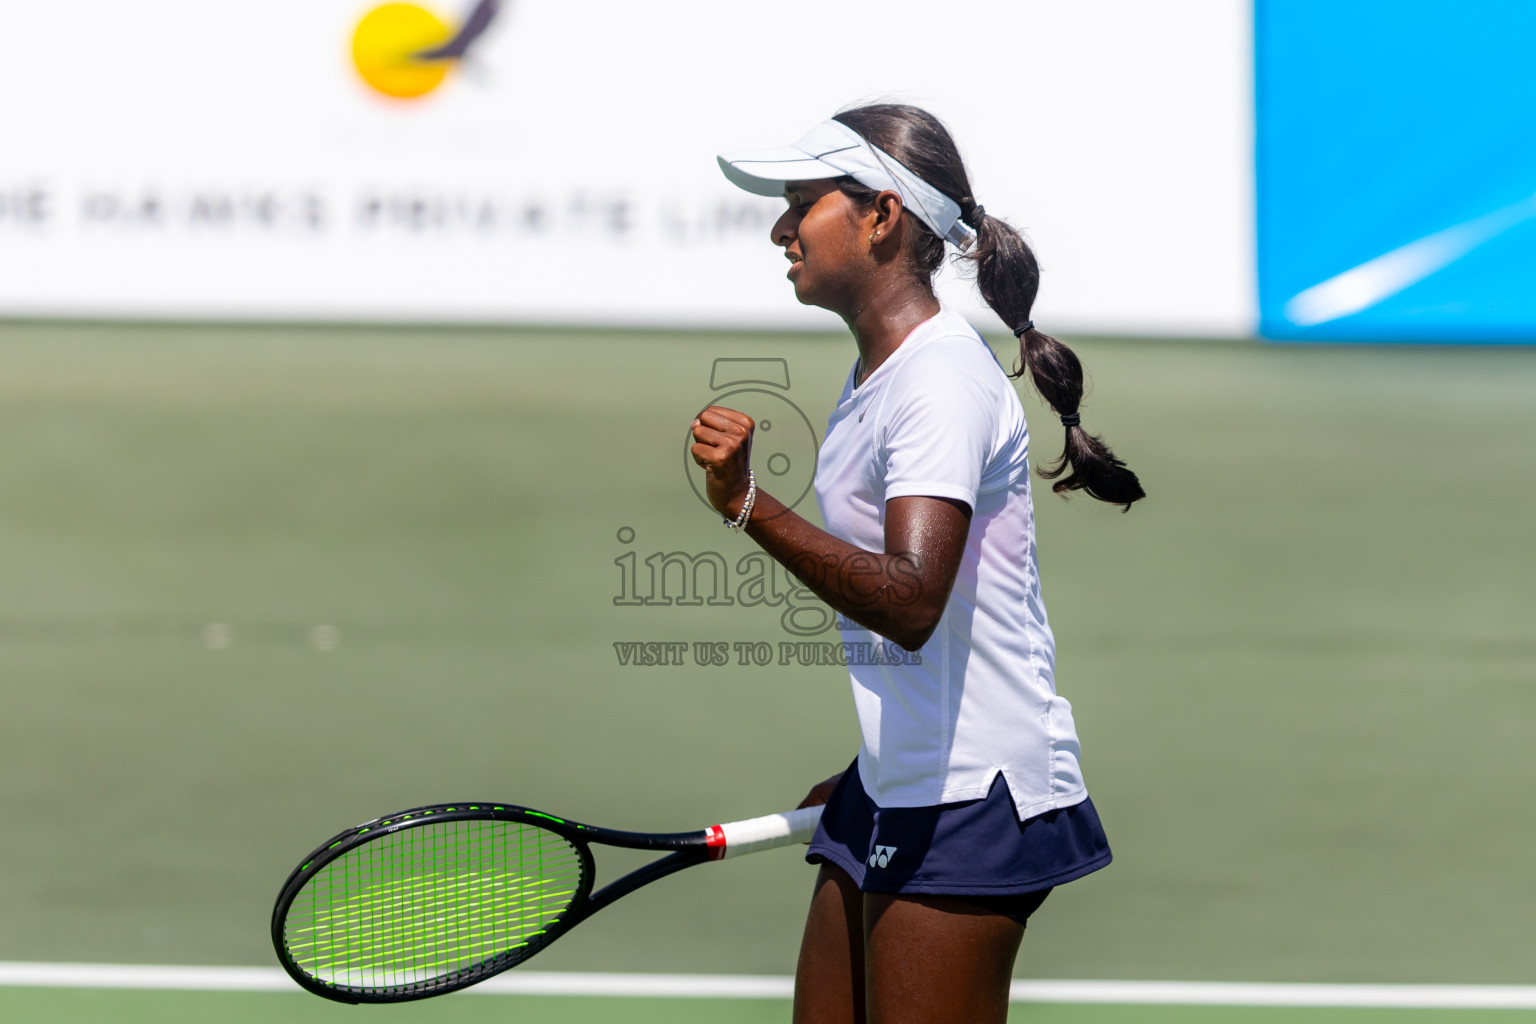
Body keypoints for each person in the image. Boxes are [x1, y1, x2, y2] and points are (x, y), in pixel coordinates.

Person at [690, 103, 1145, 1024]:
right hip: (903, 777)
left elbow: (909, 602)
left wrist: (746, 504)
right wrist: (874, 764)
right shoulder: (881, 373)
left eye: (800, 201)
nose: (781, 227)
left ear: (881, 216)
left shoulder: (939, 381)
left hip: (976, 796)